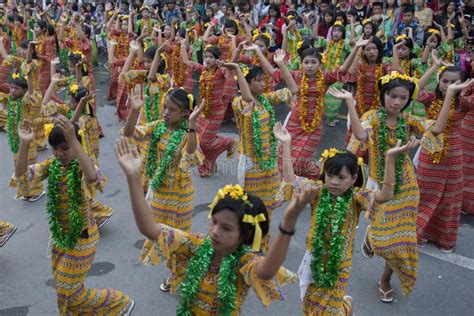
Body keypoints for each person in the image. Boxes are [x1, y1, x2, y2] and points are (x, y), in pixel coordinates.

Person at [116, 136, 302, 314]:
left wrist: (288, 223)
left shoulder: (244, 262)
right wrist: (133, 177)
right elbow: (149, 229)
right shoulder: (195, 245)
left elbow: (267, 271)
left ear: (246, 235)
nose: (215, 231)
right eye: (214, 222)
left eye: (226, 228)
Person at [341, 71, 470, 302]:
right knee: (383, 237)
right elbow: (360, 134)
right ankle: (372, 237)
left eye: (403, 98)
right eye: (392, 96)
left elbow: (437, 129)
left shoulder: (408, 120)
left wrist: (449, 94)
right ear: (383, 96)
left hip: (408, 186)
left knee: (401, 238)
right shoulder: (373, 117)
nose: (397, 102)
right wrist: (351, 103)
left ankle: (385, 279)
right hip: (380, 184)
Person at [274, 121, 418, 315]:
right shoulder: (316, 192)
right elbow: (290, 179)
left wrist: (390, 159)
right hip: (313, 259)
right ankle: (346, 307)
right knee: (310, 306)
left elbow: (385, 196)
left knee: (325, 312)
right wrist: (286, 144)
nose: (334, 182)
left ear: (353, 178)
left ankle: (343, 306)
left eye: (341, 178)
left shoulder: (357, 198)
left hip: (339, 264)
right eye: (330, 176)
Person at [15, 117, 134, 315]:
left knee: (68, 293)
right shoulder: (51, 165)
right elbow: (22, 175)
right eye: (55, 148)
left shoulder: (82, 165)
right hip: (60, 238)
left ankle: (119, 302)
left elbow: (92, 177)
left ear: (76, 145)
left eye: (65, 148)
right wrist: (25, 143)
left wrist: (74, 141)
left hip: (82, 239)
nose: (59, 154)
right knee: (65, 291)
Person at [122, 86, 204, 292]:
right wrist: (134, 110)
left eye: (172, 109)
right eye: (165, 107)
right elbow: (129, 132)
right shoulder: (158, 126)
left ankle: (179, 275)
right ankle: (180, 272)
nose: (166, 112)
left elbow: (191, 154)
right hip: (159, 191)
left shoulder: (188, 133)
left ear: (185, 112)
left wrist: (192, 125)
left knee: (177, 237)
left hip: (179, 196)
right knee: (160, 235)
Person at [415, 65, 473, 252]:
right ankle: (421, 232)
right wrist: (433, 67)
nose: (448, 85)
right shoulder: (430, 99)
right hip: (429, 153)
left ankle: (444, 239)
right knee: (425, 194)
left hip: (453, 154)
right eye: (445, 81)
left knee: (450, 198)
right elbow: (416, 89)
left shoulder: (464, 103)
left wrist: (464, 88)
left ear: (462, 84)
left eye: (454, 82)